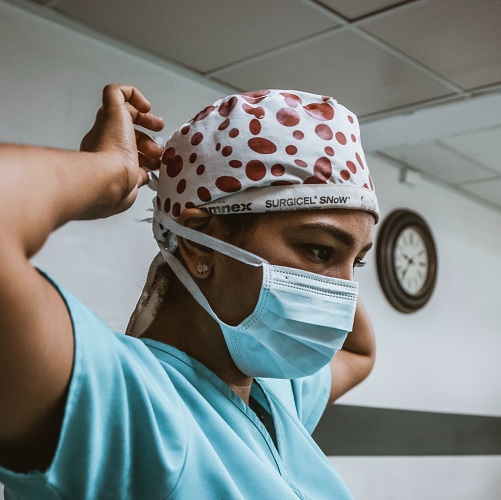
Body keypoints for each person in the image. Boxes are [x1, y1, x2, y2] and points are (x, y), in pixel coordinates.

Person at [0, 84, 377, 499]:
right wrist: (111, 171)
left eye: (357, 262)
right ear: (199, 243)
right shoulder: (125, 405)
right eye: (319, 249)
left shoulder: (275, 395)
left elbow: (359, 353)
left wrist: (336, 245)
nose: (343, 291)